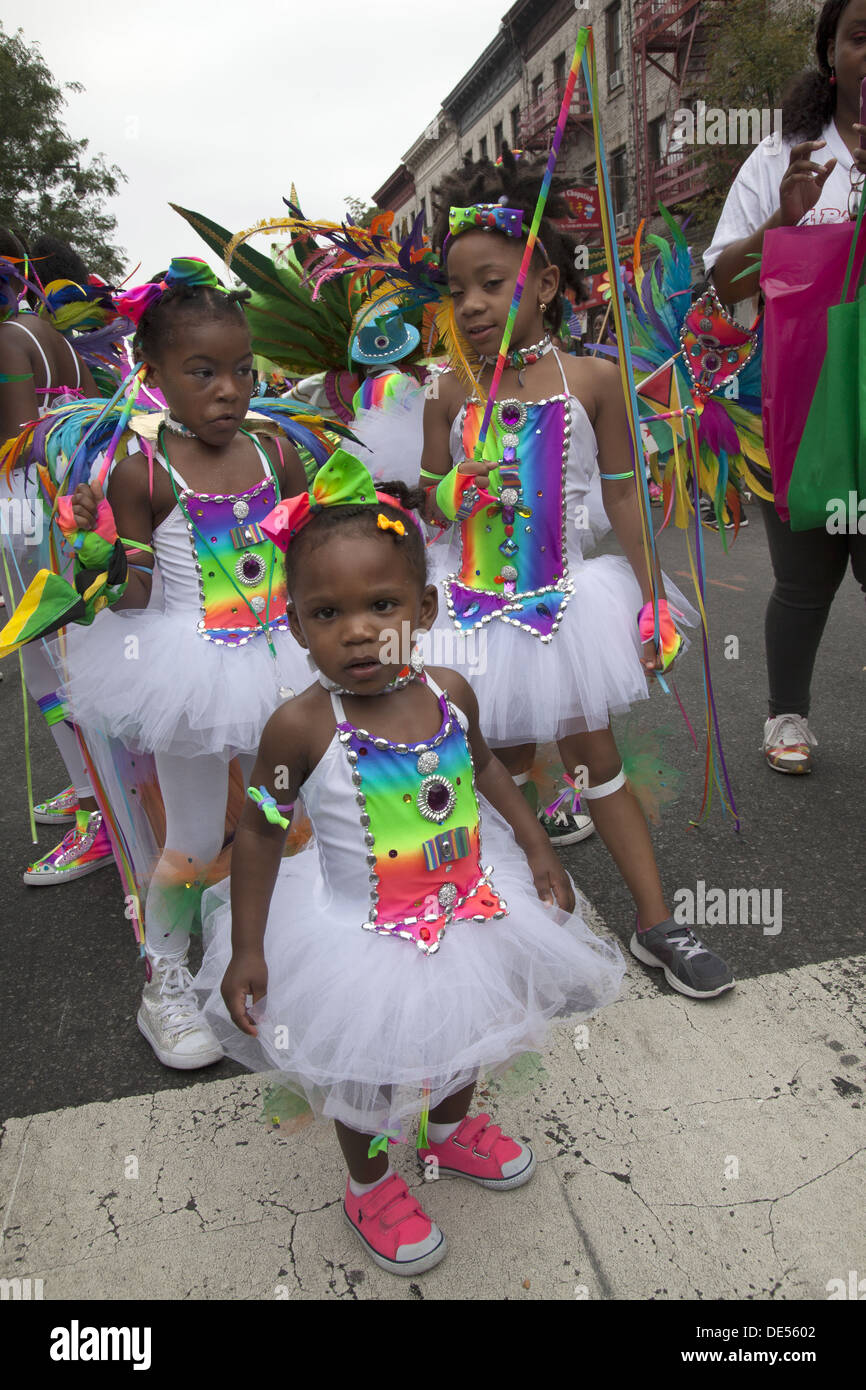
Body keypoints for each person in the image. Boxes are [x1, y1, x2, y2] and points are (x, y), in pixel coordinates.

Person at [193, 449, 625, 1276]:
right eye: (326, 613)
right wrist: (248, 946)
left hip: (469, 908)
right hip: (359, 939)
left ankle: (452, 1128)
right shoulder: (299, 726)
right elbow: (256, 832)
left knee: (471, 1032)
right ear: (294, 624)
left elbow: (491, 769)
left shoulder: (450, 693)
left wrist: (536, 848)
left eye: (381, 605)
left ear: (423, 608)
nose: (355, 630)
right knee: (367, 1069)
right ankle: (370, 1183)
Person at [420, 152, 734, 1000]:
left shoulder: (594, 379)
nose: (473, 305)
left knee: (596, 757)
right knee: (500, 764)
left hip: (565, 605)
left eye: (493, 284)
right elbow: (426, 503)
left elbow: (628, 497)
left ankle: (656, 921)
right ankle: (497, 925)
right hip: (479, 610)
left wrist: (650, 598)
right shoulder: (448, 390)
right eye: (458, 291)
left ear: (546, 284)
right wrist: (448, 487)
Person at [62, 260, 318, 1069]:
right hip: (187, 667)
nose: (228, 390)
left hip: (280, 659)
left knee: (292, 817)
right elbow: (136, 595)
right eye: (201, 372)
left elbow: (308, 557)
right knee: (197, 831)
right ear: (154, 375)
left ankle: (291, 956)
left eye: (243, 370)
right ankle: (164, 981)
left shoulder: (277, 452)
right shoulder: (143, 469)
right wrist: (96, 551)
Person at [704, 0, 866, 774]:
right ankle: (785, 716)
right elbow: (722, 282)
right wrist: (779, 223)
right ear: (831, 52)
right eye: (862, 35)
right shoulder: (780, 156)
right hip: (798, 406)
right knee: (804, 578)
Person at [0, 227, 111, 882]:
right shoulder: (60, 341)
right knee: (66, 665)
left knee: (48, 671)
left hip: (26, 517)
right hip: (59, 511)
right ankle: (90, 788)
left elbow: (18, 445)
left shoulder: (10, 338)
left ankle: (99, 812)